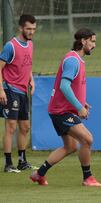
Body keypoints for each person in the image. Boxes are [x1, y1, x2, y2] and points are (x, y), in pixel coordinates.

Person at [30, 28, 101, 186]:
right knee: (87, 139)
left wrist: (82, 102)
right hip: (61, 111)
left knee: (69, 147)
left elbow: (73, 87)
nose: (94, 45)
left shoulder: (76, 59)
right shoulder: (72, 60)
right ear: (83, 41)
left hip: (61, 109)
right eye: (93, 41)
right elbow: (64, 86)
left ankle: (38, 174)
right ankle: (87, 178)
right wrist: (79, 107)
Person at [0, 14, 37, 173]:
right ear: (21, 28)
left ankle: (22, 161)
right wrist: (1, 90)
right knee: (11, 126)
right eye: (28, 28)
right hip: (10, 90)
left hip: (23, 91)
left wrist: (31, 79)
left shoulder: (30, 44)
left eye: (34, 29)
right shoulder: (11, 46)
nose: (31, 32)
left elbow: (27, 65)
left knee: (25, 127)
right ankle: (8, 164)